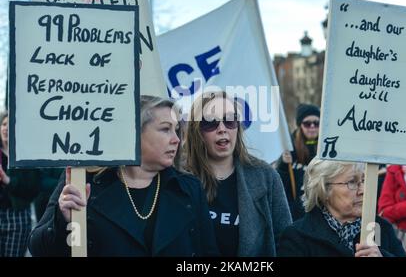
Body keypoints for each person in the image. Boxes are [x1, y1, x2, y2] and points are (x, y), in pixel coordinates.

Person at [29, 96, 219, 257]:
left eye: (176, 129)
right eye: (165, 129)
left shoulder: (189, 188)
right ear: (134, 132)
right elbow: (39, 249)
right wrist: (64, 221)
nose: (176, 139)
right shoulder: (83, 180)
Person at [184, 91, 292, 256]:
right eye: (210, 122)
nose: (222, 129)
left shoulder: (266, 177)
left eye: (229, 120)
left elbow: (286, 243)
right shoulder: (179, 180)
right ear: (197, 130)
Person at [278, 158, 406, 257]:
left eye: (364, 180)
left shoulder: (380, 227)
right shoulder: (298, 237)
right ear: (325, 190)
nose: (363, 190)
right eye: (352, 182)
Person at [0, 111, 40, 257]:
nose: (6, 128)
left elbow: (33, 189)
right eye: (4, 124)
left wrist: (7, 180)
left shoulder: (25, 156)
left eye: (10, 125)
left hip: (17, 218)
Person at [276, 103, 320, 220]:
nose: (312, 127)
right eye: (307, 123)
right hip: (295, 212)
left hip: (319, 210)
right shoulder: (289, 147)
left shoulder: (327, 147)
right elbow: (279, 183)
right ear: (300, 125)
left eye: (316, 123)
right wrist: (284, 165)